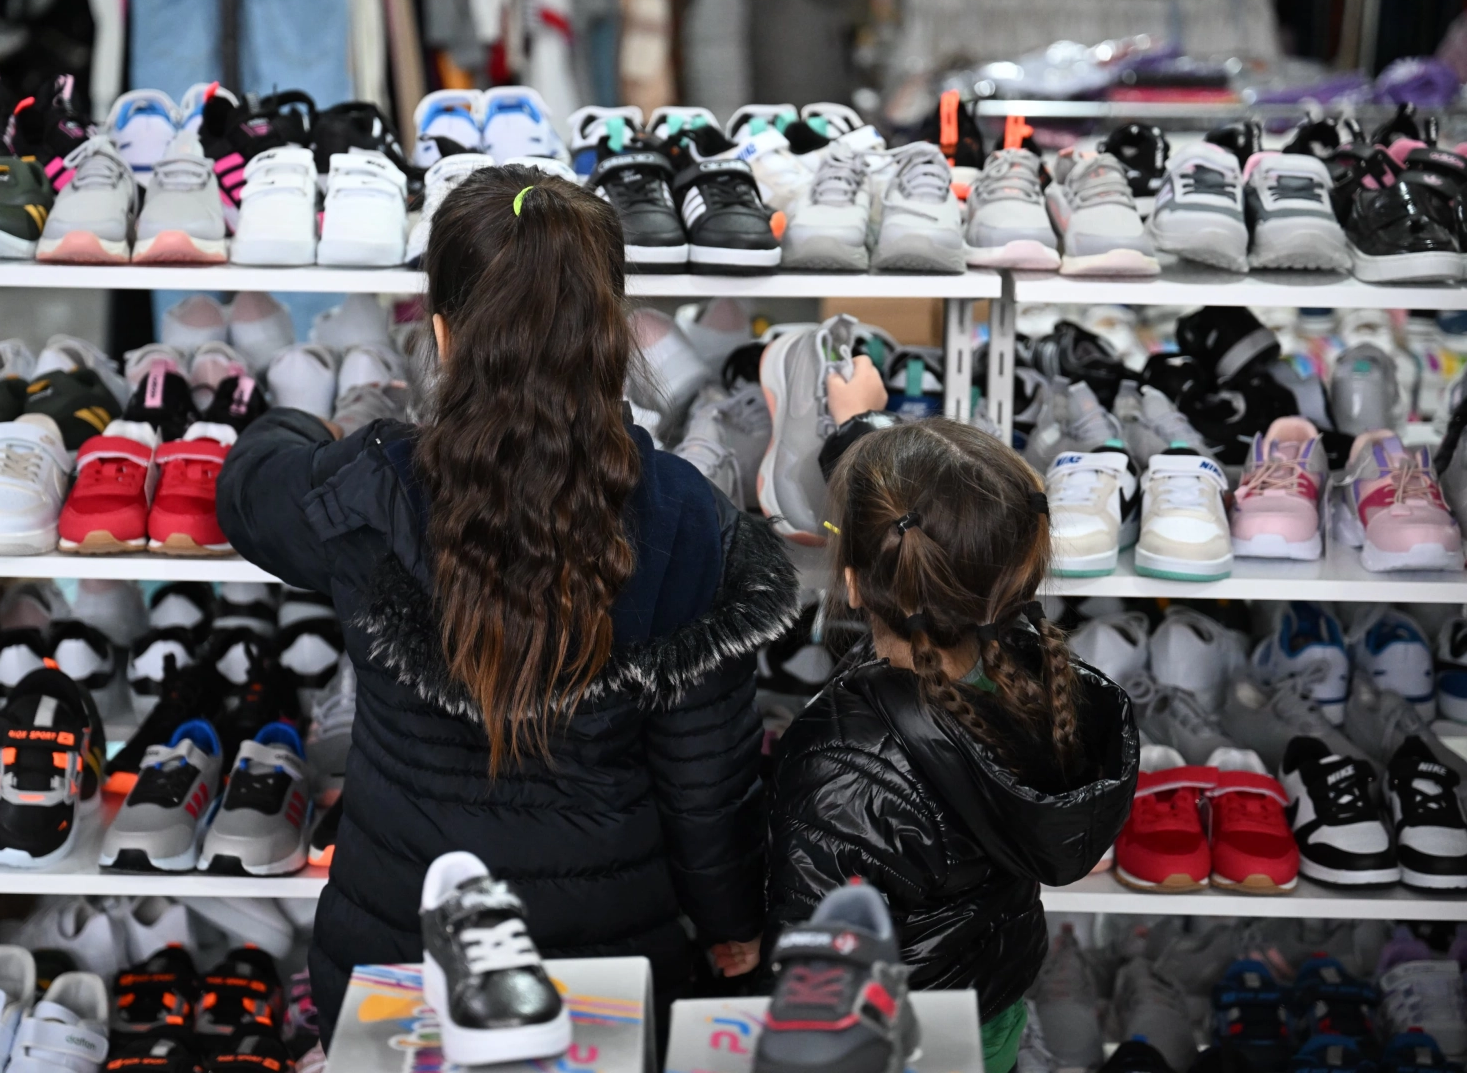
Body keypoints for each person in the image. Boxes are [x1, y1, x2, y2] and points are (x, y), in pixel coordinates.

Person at [218, 165, 799, 1042]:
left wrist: (305, 423)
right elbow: (705, 786)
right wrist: (730, 922)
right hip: (608, 969)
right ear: (612, 335)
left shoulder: (371, 483)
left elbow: (246, 495)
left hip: (400, 953)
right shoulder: (685, 513)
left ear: (443, 334)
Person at [764, 402, 1137, 1073]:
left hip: (896, 1045)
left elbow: (818, 980)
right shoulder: (1040, 684)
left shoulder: (840, 765)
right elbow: (935, 521)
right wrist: (860, 437)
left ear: (851, 583)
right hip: (991, 1017)